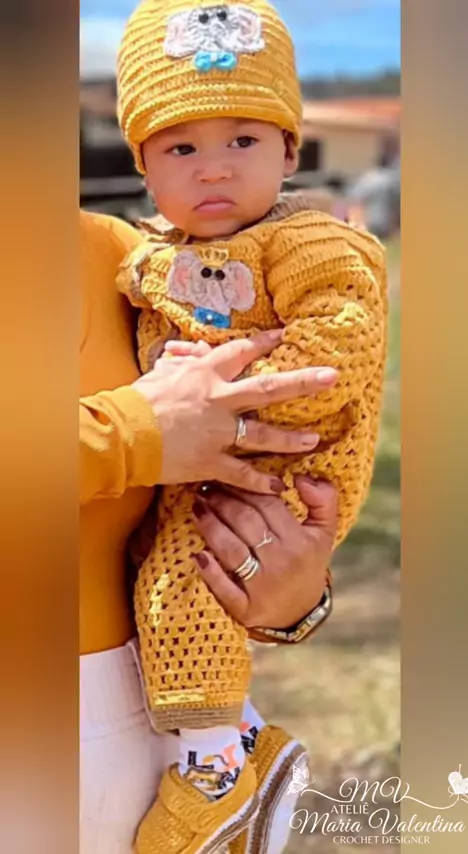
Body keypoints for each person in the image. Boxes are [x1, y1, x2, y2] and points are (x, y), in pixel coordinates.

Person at [113, 1, 388, 852]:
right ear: (142, 163)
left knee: (185, 588)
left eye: (243, 140)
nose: (215, 170)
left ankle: (215, 766)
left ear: (290, 152)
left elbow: (340, 345)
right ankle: (237, 742)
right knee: (166, 589)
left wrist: (215, 410)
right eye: (180, 149)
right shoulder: (145, 256)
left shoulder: (307, 242)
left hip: (281, 469)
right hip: (197, 473)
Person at [80, 208, 341, 854]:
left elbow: (211, 464)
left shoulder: (123, 256)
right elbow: (149, 429)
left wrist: (290, 592)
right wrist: (127, 436)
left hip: (144, 734)